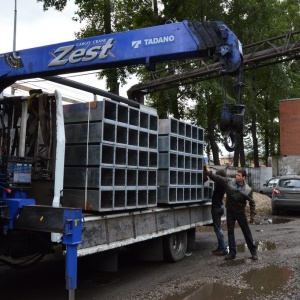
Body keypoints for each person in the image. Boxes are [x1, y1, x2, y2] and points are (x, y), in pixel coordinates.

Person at [204, 165, 258, 261]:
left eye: (239, 175)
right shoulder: (230, 182)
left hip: (240, 212)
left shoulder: (247, 190)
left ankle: (253, 252)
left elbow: (252, 202)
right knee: (230, 232)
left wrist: (252, 215)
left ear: (243, 177)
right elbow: (218, 178)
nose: (236, 177)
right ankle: (232, 253)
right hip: (230, 211)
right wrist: (209, 172)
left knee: (247, 232)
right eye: (236, 175)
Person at [209, 169, 228, 256]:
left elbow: (213, 177)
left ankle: (223, 248)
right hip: (219, 207)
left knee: (218, 229)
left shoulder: (220, 184)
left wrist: (206, 168)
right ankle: (221, 247)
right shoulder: (222, 184)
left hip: (217, 208)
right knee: (218, 228)